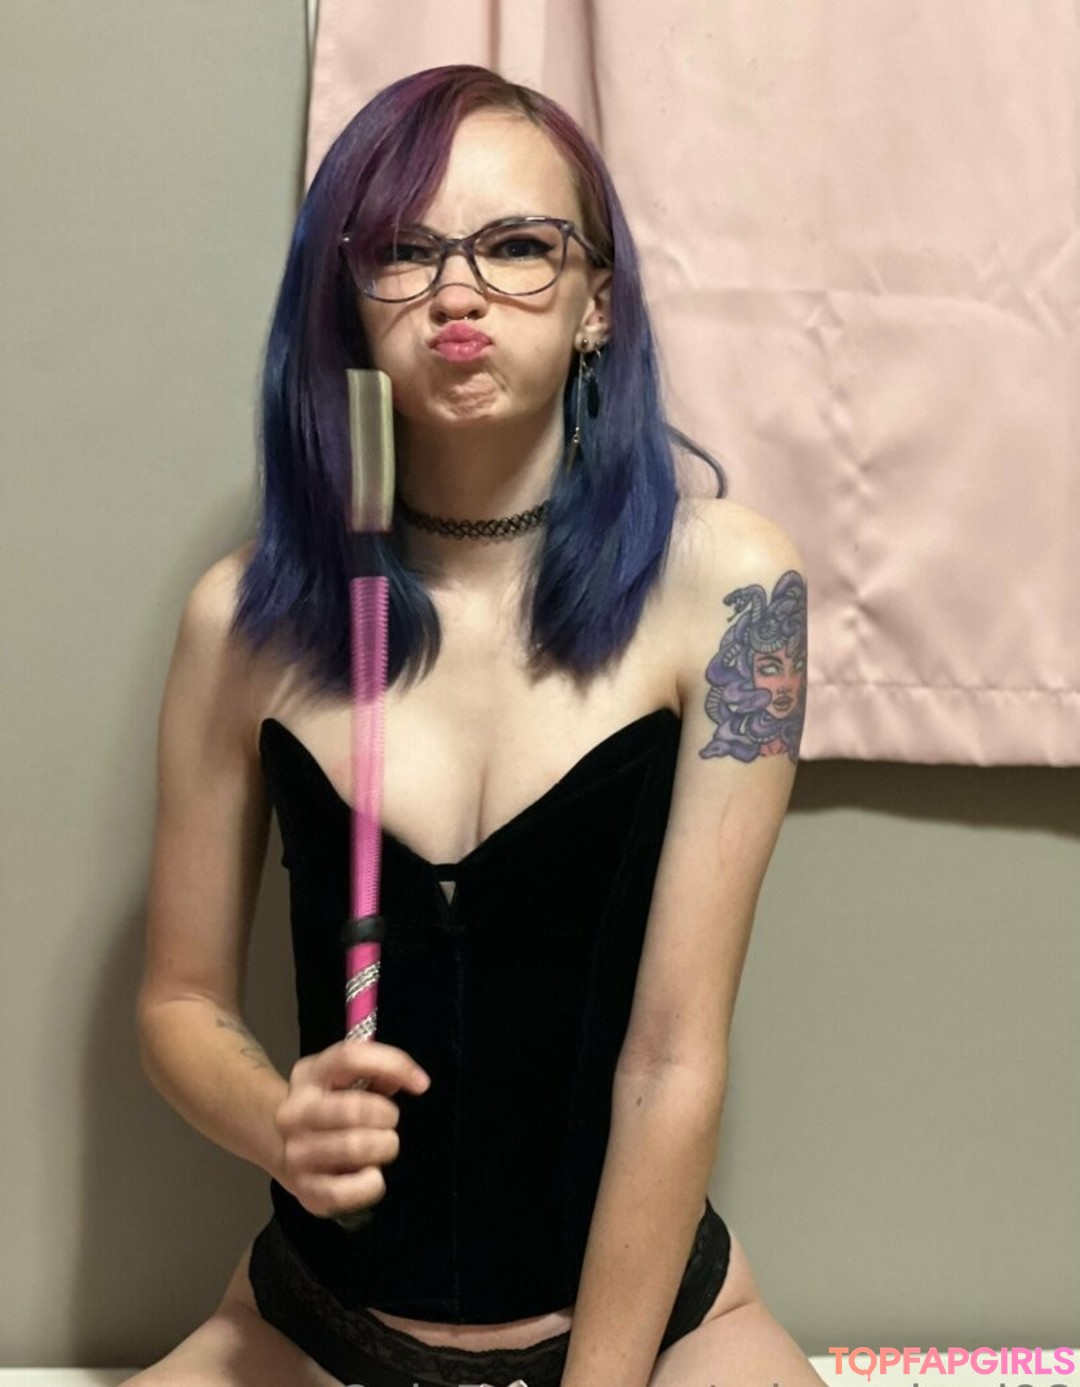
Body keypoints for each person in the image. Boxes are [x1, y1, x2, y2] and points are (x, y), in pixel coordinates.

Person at [129, 64, 818, 1387]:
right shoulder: (243, 620)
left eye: (517, 246)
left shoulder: (734, 593)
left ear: (597, 301)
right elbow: (178, 999)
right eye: (405, 250)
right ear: (346, 301)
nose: (459, 292)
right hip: (311, 1328)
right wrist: (278, 1121)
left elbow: (673, 1060)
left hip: (653, 1338)